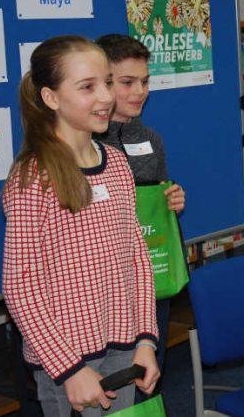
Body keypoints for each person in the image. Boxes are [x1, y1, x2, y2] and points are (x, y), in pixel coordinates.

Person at [2, 35, 160, 416]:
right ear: (51, 98)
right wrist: (70, 368)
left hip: (123, 346)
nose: (105, 97)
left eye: (107, 82)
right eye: (88, 87)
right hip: (70, 365)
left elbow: (137, 259)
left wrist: (145, 339)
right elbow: (21, 285)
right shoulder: (32, 178)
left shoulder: (117, 164)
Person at [94, 34, 184, 387]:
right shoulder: (84, 144)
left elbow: (157, 203)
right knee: (112, 376)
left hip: (152, 276)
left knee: (149, 369)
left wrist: (172, 200)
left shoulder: (151, 139)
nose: (139, 92)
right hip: (107, 283)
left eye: (145, 81)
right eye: (127, 82)